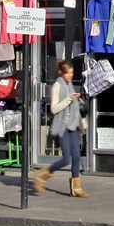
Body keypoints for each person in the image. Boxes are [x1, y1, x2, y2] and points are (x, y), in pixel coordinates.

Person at [33, 58, 86, 197]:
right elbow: (54, 109)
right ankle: (42, 174)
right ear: (61, 73)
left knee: (76, 157)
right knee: (65, 159)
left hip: (72, 126)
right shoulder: (57, 86)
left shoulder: (70, 86)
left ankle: (76, 188)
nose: (70, 75)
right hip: (62, 126)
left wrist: (82, 121)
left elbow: (75, 108)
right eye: (68, 73)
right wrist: (68, 99)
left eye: (72, 72)